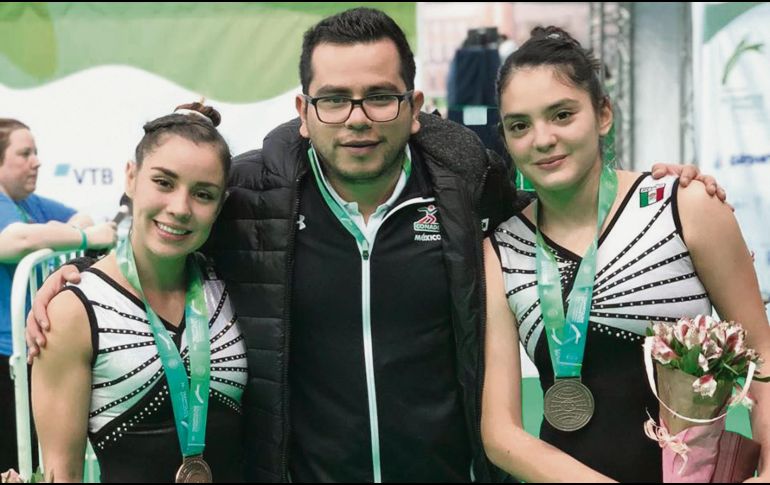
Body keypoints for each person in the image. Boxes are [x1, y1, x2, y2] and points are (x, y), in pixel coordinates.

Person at [26, 8, 726, 483]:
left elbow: (561, 206)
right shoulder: (253, 199)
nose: (357, 118)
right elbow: (172, 224)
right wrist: (86, 272)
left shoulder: (462, 184)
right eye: (334, 99)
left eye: (380, 97)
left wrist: (662, 177)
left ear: (414, 106)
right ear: (303, 112)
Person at [481, 26, 770, 482]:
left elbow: (763, 356)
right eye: (520, 125)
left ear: (603, 115)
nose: (542, 139)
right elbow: (502, 433)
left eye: (561, 115)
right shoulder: (500, 251)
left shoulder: (685, 206)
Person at [30, 103, 247, 482]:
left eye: (203, 194)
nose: (179, 208)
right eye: (163, 182)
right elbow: (60, 472)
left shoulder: (233, 287)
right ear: (131, 178)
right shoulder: (72, 312)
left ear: (221, 205)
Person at [0, 119, 116, 474]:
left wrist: (67, 231)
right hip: (4, 359)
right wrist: (81, 238)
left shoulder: (30, 204)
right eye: (24, 153)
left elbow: (85, 219)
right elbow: (13, 242)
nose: (36, 161)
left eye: (35, 152)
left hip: (25, 356)